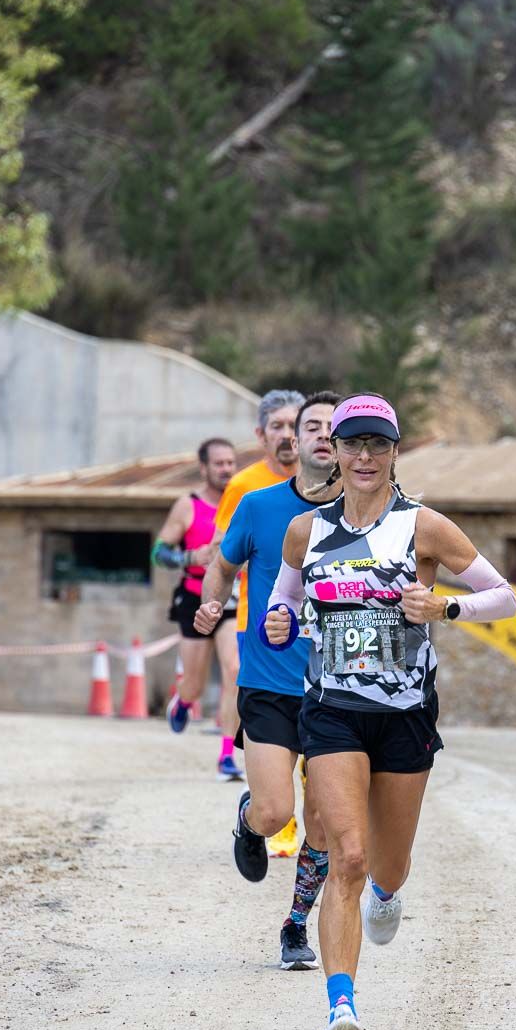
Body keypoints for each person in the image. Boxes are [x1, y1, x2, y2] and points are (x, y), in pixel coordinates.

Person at [262, 393, 516, 1030]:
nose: (366, 456)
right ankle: (341, 1008)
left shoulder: (424, 528)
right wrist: (278, 623)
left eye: (379, 444)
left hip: (405, 715)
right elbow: (282, 603)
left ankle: (387, 893)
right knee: (346, 855)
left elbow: (506, 596)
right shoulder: (305, 532)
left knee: (388, 866)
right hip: (332, 712)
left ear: (394, 451)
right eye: (354, 444)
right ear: (336, 453)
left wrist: (446, 605)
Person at [194, 392, 343, 969]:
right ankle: (247, 816)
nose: (323, 435)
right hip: (269, 684)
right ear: (295, 442)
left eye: (336, 427)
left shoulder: (368, 516)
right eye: (312, 426)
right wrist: (213, 605)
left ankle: (295, 925)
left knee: (325, 824)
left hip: (339, 689)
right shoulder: (258, 507)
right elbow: (222, 565)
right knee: (277, 812)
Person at [212, 389, 304, 857]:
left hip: (321, 643)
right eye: (279, 427)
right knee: (237, 677)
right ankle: (270, 814)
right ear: (262, 434)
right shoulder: (246, 487)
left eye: (296, 426)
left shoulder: (343, 490)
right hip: (256, 620)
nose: (288, 436)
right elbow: (222, 551)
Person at [155, 438, 242, 780]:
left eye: (230, 463)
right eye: (219, 463)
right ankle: (183, 700)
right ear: (204, 468)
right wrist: (190, 557)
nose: (226, 469)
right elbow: (158, 553)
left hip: (233, 599)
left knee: (235, 669)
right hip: (194, 597)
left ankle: (226, 757)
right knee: (193, 684)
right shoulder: (187, 506)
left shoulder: (243, 502)